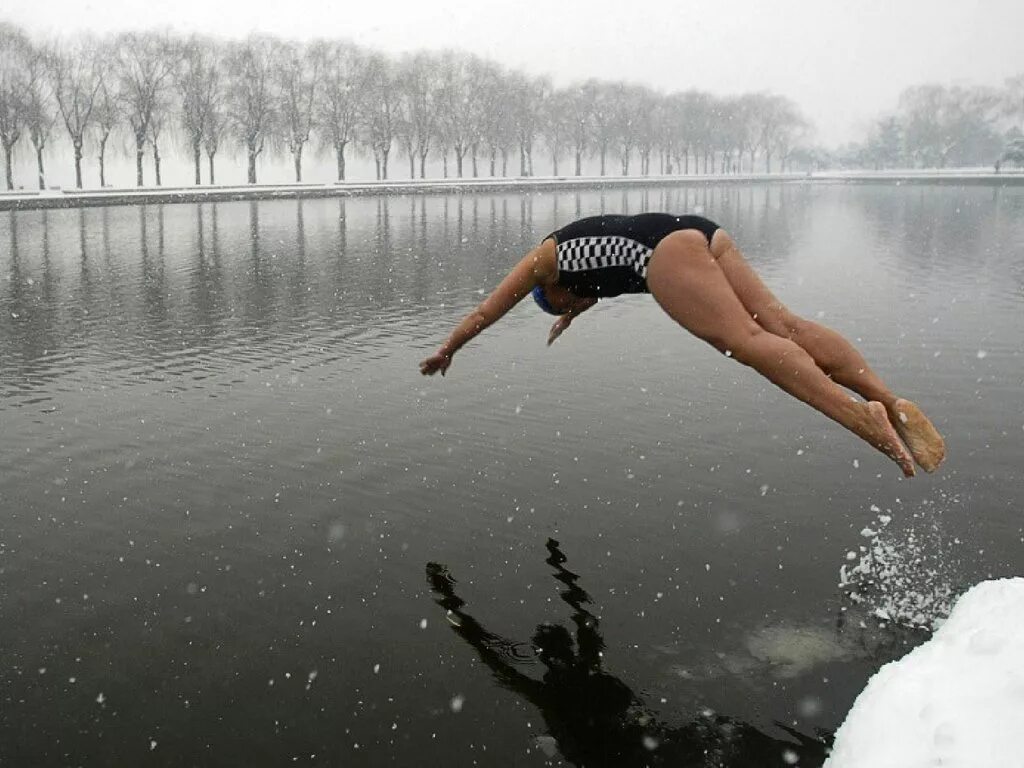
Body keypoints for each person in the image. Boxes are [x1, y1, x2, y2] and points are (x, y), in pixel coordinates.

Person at [419, 213, 945, 477]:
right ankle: (891, 402)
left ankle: (860, 418)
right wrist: (570, 320)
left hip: (664, 256)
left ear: (549, 291)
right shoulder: (579, 269)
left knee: (747, 342)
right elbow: (594, 282)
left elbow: (486, 311)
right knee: (785, 324)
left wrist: (449, 349)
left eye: (558, 306)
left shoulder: (543, 263)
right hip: (699, 231)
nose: (568, 305)